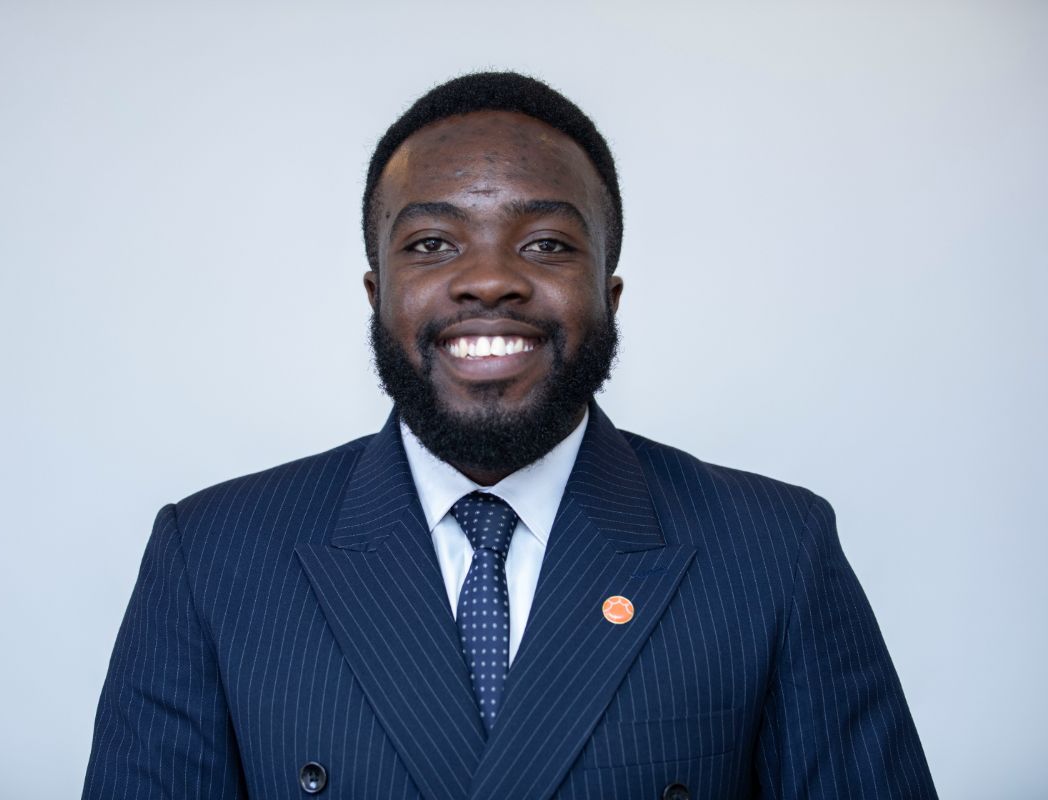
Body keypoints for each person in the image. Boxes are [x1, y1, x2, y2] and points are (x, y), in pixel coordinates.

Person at [82, 72, 937, 799]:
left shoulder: (774, 551)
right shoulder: (213, 558)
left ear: (609, 292)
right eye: (431, 242)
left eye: (545, 243)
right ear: (377, 293)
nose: (489, 280)